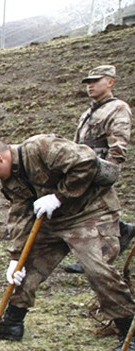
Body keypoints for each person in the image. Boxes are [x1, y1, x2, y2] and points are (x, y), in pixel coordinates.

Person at [0, 132, 135, 351]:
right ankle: (12, 324)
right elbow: (19, 215)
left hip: (91, 213)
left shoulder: (41, 147)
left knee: (96, 269)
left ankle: (129, 333)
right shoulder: (11, 180)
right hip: (53, 220)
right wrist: (15, 258)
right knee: (26, 267)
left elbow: (86, 162)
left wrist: (58, 197)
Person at [64, 64, 133, 274]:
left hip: (99, 168)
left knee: (96, 212)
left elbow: (119, 143)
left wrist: (109, 170)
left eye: (96, 81)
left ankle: (100, 258)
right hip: (83, 168)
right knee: (89, 210)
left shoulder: (118, 108)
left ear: (110, 82)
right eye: (88, 82)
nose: (90, 86)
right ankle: (122, 231)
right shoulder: (88, 112)